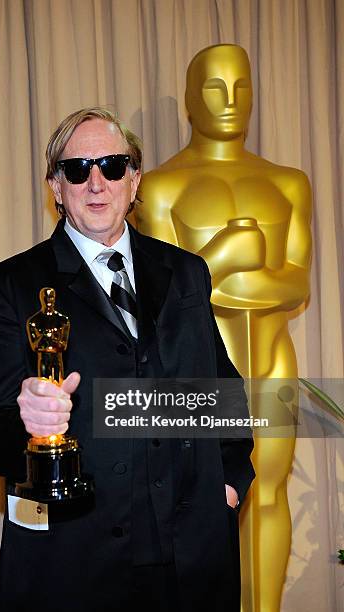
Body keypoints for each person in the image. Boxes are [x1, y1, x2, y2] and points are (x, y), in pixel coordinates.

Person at [0, 106, 255, 612]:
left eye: (112, 165)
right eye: (77, 169)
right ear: (56, 187)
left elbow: (221, 391)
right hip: (72, 563)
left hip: (189, 562)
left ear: (135, 176)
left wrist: (231, 483)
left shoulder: (187, 273)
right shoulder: (8, 287)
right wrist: (28, 424)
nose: (96, 182)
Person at [137, 44, 312, 611]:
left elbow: (295, 284)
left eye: (241, 86)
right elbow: (161, 299)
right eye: (214, 87)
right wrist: (232, 252)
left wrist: (215, 271)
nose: (231, 100)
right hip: (197, 374)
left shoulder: (288, 182)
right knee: (199, 504)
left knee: (269, 496)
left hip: (272, 362)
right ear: (190, 100)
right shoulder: (161, 187)